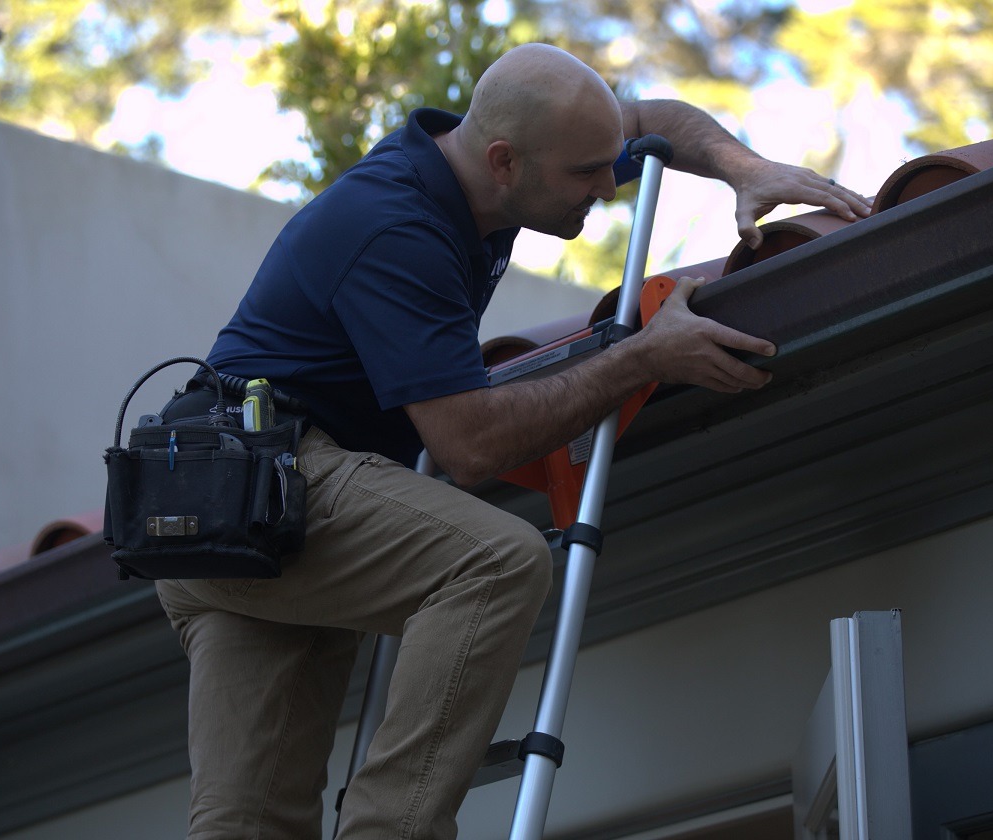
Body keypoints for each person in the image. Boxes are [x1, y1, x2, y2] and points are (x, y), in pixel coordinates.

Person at [154, 43, 871, 840]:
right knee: (493, 563)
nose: (608, 186)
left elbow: (653, 121)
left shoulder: (518, 155)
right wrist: (641, 358)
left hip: (232, 515)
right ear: (503, 161)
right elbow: (469, 445)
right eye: (587, 175)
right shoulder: (396, 226)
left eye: (609, 166)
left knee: (246, 826)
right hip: (262, 481)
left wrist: (746, 169)